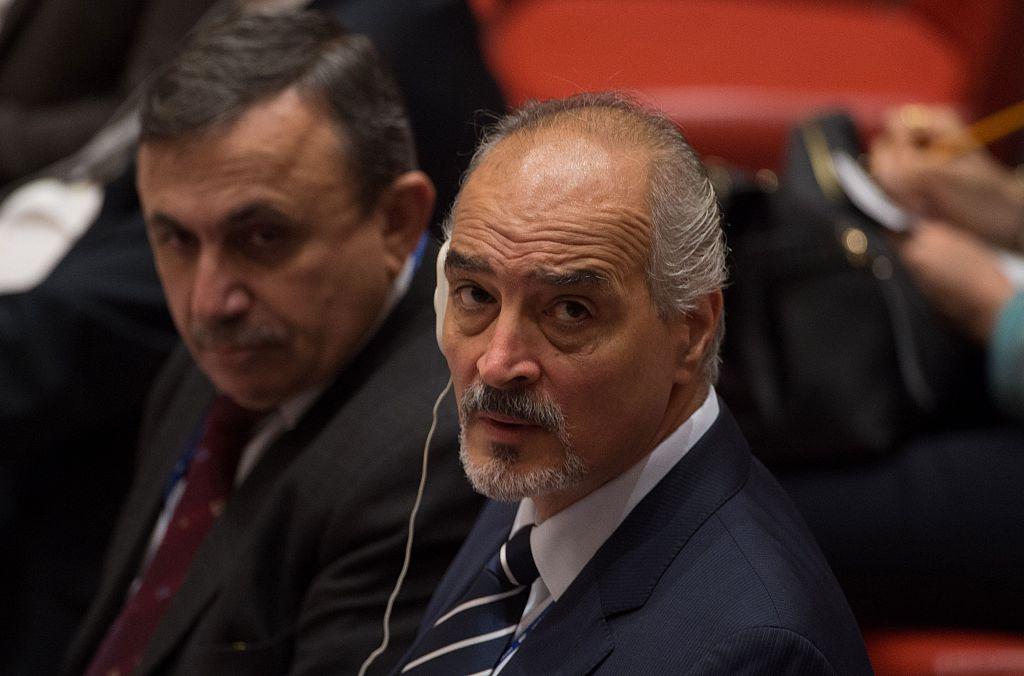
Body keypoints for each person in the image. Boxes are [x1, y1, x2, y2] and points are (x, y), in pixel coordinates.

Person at [60, 11, 481, 675]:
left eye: (262, 238)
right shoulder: (244, 347)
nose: (208, 302)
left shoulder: (440, 456)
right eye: (175, 239)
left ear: (397, 221)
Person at [395, 92, 872, 674]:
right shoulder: (548, 465)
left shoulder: (752, 652)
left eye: (569, 311)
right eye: (476, 295)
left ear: (690, 332)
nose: (497, 364)